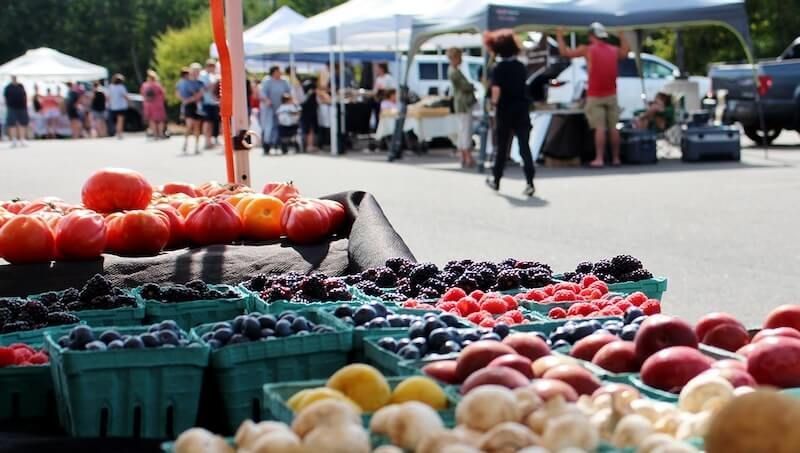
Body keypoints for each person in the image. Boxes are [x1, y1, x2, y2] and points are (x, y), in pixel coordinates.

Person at [557, 23, 629, 167]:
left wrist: (559, 35)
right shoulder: (613, 50)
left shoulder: (587, 50)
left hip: (595, 94)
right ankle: (616, 158)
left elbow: (565, 53)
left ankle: (599, 158)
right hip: (612, 94)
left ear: (591, 36)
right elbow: (625, 52)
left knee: (600, 128)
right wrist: (622, 35)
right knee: (613, 127)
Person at [485, 29, 536, 197]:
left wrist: (493, 104)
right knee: (524, 146)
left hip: (505, 110)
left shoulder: (498, 68)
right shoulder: (521, 67)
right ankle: (530, 181)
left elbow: (496, 91)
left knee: (501, 147)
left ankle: (496, 179)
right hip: (521, 109)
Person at [447, 47, 477, 168]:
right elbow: (465, 86)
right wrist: (471, 86)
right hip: (463, 104)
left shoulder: (453, 70)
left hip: (461, 104)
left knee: (462, 130)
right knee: (465, 130)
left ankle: (464, 155)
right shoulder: (454, 72)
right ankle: (467, 155)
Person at [259, 65, 291, 154]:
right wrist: (266, 100)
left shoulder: (284, 81)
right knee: (269, 126)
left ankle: (281, 144)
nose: (280, 73)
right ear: (273, 72)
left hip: (281, 108)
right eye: (278, 71)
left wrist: (287, 100)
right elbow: (262, 93)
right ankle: (267, 145)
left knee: (280, 126)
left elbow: (289, 92)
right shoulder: (267, 81)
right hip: (269, 108)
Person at [176, 63, 205, 154]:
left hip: (197, 105)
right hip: (188, 106)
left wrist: (191, 99)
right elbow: (178, 93)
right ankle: (185, 143)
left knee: (197, 126)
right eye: (195, 71)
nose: (196, 73)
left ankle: (196, 146)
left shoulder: (200, 82)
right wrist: (184, 100)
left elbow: (200, 94)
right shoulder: (183, 82)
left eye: (198, 71)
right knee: (189, 125)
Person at [140, 70, 168, 140]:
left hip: (148, 105)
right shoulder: (158, 85)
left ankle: (155, 135)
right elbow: (163, 94)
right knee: (160, 120)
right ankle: (161, 134)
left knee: (152, 120)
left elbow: (143, 95)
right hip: (158, 104)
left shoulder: (145, 85)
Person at [199, 59, 220, 149]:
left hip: (214, 102)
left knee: (213, 123)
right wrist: (212, 85)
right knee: (207, 122)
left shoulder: (214, 76)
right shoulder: (202, 75)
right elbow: (203, 89)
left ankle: (210, 140)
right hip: (206, 102)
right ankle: (206, 140)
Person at [3, 76, 29, 147]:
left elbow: (25, 96)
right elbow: (5, 97)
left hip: (22, 107)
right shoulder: (8, 87)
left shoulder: (21, 86)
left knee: (22, 123)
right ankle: (14, 140)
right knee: (12, 124)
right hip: (11, 107)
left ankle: (22, 139)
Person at [300, 78, 319, 152]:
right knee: (310, 129)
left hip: (304, 111)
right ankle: (309, 146)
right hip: (310, 111)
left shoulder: (304, 90)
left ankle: (306, 145)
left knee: (305, 129)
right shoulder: (312, 91)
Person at [108, 74, 129, 139]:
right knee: (120, 121)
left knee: (116, 121)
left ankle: (117, 133)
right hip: (121, 106)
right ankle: (120, 133)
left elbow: (108, 97)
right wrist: (128, 102)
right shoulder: (121, 87)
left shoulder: (110, 87)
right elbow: (125, 96)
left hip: (113, 106)